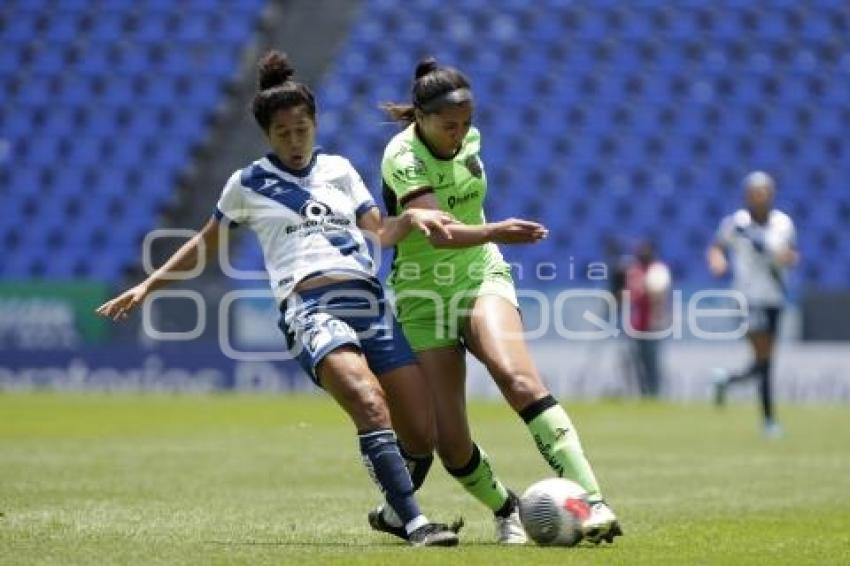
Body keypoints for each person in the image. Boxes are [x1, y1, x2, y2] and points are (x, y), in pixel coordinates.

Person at [95, 51, 460, 547]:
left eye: (302, 129)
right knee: (368, 402)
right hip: (311, 308)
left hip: (370, 305)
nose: (294, 141)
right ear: (267, 134)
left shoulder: (339, 169)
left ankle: (394, 512)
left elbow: (381, 233)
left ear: (314, 124)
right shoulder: (247, 184)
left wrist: (413, 219)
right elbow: (204, 245)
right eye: (283, 133)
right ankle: (417, 524)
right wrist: (147, 284)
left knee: (422, 436)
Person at [368, 57, 622, 545]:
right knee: (450, 442)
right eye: (448, 126)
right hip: (421, 296)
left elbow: (465, 227)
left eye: (465, 124)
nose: (459, 135)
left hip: (480, 275)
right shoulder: (402, 157)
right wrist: (497, 229)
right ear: (420, 118)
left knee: (517, 377)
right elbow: (438, 233)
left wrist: (490, 241)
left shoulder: (470, 140)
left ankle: (592, 502)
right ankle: (507, 509)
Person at [707, 171, 798, 438]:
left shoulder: (782, 223)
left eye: (763, 192)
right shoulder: (736, 223)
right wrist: (717, 260)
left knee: (765, 361)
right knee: (765, 359)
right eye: (753, 192)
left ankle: (727, 379)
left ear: (771, 194)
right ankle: (769, 421)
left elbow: (790, 255)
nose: (758, 197)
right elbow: (717, 246)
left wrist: (778, 254)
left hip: (775, 297)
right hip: (748, 298)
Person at [623, 239, 671, 398]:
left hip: (653, 324)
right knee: (638, 362)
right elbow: (631, 293)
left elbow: (657, 293)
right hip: (636, 324)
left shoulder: (658, 270)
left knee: (652, 361)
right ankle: (643, 393)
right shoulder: (634, 270)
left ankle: (654, 393)